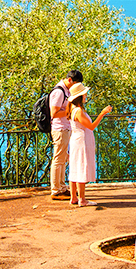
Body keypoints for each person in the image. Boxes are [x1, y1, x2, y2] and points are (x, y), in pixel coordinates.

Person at [66, 82, 112, 206]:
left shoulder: (72, 109)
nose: (86, 95)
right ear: (80, 96)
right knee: (81, 168)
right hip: (81, 142)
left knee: (74, 169)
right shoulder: (79, 111)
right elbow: (91, 126)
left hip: (76, 140)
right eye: (84, 94)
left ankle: (73, 197)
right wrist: (102, 113)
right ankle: (82, 199)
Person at [46, 70, 83, 200]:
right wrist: (70, 110)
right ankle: (56, 190)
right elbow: (54, 113)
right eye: (75, 84)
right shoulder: (58, 92)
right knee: (58, 159)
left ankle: (61, 187)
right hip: (59, 129)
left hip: (65, 129)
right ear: (69, 80)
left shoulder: (65, 91)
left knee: (62, 160)